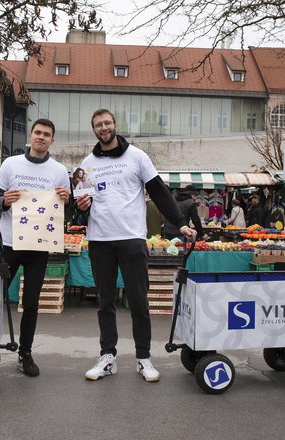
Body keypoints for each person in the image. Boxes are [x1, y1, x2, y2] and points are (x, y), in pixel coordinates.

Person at [75, 109, 196, 382]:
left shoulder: (137, 157)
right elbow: (80, 207)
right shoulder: (87, 163)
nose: (103, 128)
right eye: (98, 125)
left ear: (115, 125)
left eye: (107, 123)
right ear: (94, 129)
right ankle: (108, 357)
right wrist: (81, 207)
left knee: (139, 302)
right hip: (100, 240)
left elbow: (160, 193)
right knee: (105, 303)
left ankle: (144, 358)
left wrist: (180, 222)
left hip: (131, 239)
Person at [0, 118, 71, 377]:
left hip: (38, 248)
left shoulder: (59, 171)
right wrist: (4, 201)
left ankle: (25, 353)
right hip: (9, 245)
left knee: (31, 303)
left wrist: (67, 201)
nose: (41, 137)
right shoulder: (11, 165)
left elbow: (66, 213)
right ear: (30, 136)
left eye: (47, 134)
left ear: (52, 140)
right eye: (38, 132)